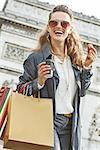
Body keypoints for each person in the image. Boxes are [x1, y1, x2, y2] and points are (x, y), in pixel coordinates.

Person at [17, 5, 97, 150]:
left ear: (70, 29)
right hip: (47, 121)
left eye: (64, 23)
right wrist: (39, 82)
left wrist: (86, 68)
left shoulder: (76, 60)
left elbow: (82, 92)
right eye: (54, 23)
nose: (58, 26)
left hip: (72, 124)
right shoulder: (36, 58)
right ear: (48, 27)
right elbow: (20, 90)